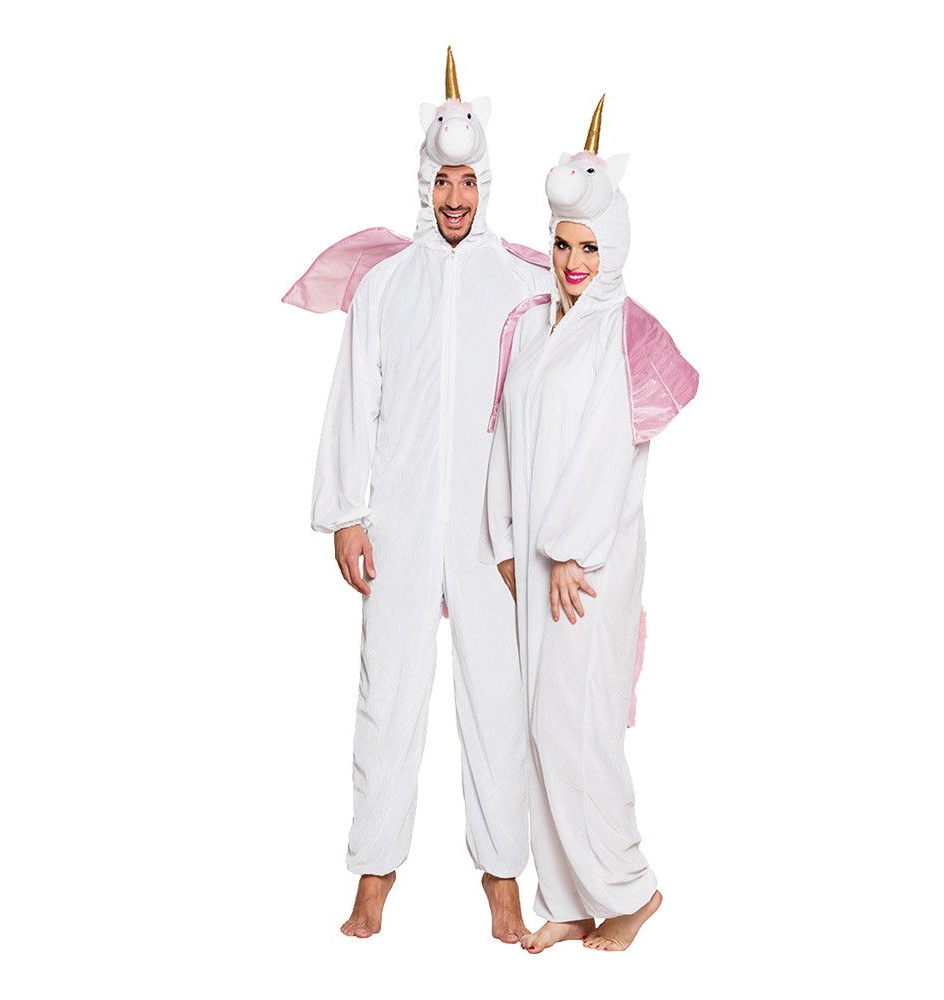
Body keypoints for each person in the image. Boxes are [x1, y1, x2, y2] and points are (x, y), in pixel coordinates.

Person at [283, 48, 552, 941]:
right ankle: (374, 874)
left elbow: (540, 414)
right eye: (443, 181)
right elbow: (354, 397)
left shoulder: (522, 287)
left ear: (486, 185)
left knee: (497, 699)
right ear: (424, 182)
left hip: (490, 531)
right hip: (398, 520)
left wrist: (536, 529)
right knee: (387, 692)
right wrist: (346, 514)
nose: (455, 199)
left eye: (468, 182)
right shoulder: (386, 286)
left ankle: (503, 879)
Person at [480, 97, 699, 953]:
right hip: (537, 562)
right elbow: (505, 432)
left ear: (615, 248)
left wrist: (568, 552)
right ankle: (570, 899)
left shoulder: (615, 335)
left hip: (586, 567)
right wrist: (506, 541)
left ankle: (631, 891)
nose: (574, 262)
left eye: (590, 247)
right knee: (538, 729)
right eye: (564, 244)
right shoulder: (535, 327)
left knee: (577, 726)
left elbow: (607, 456)